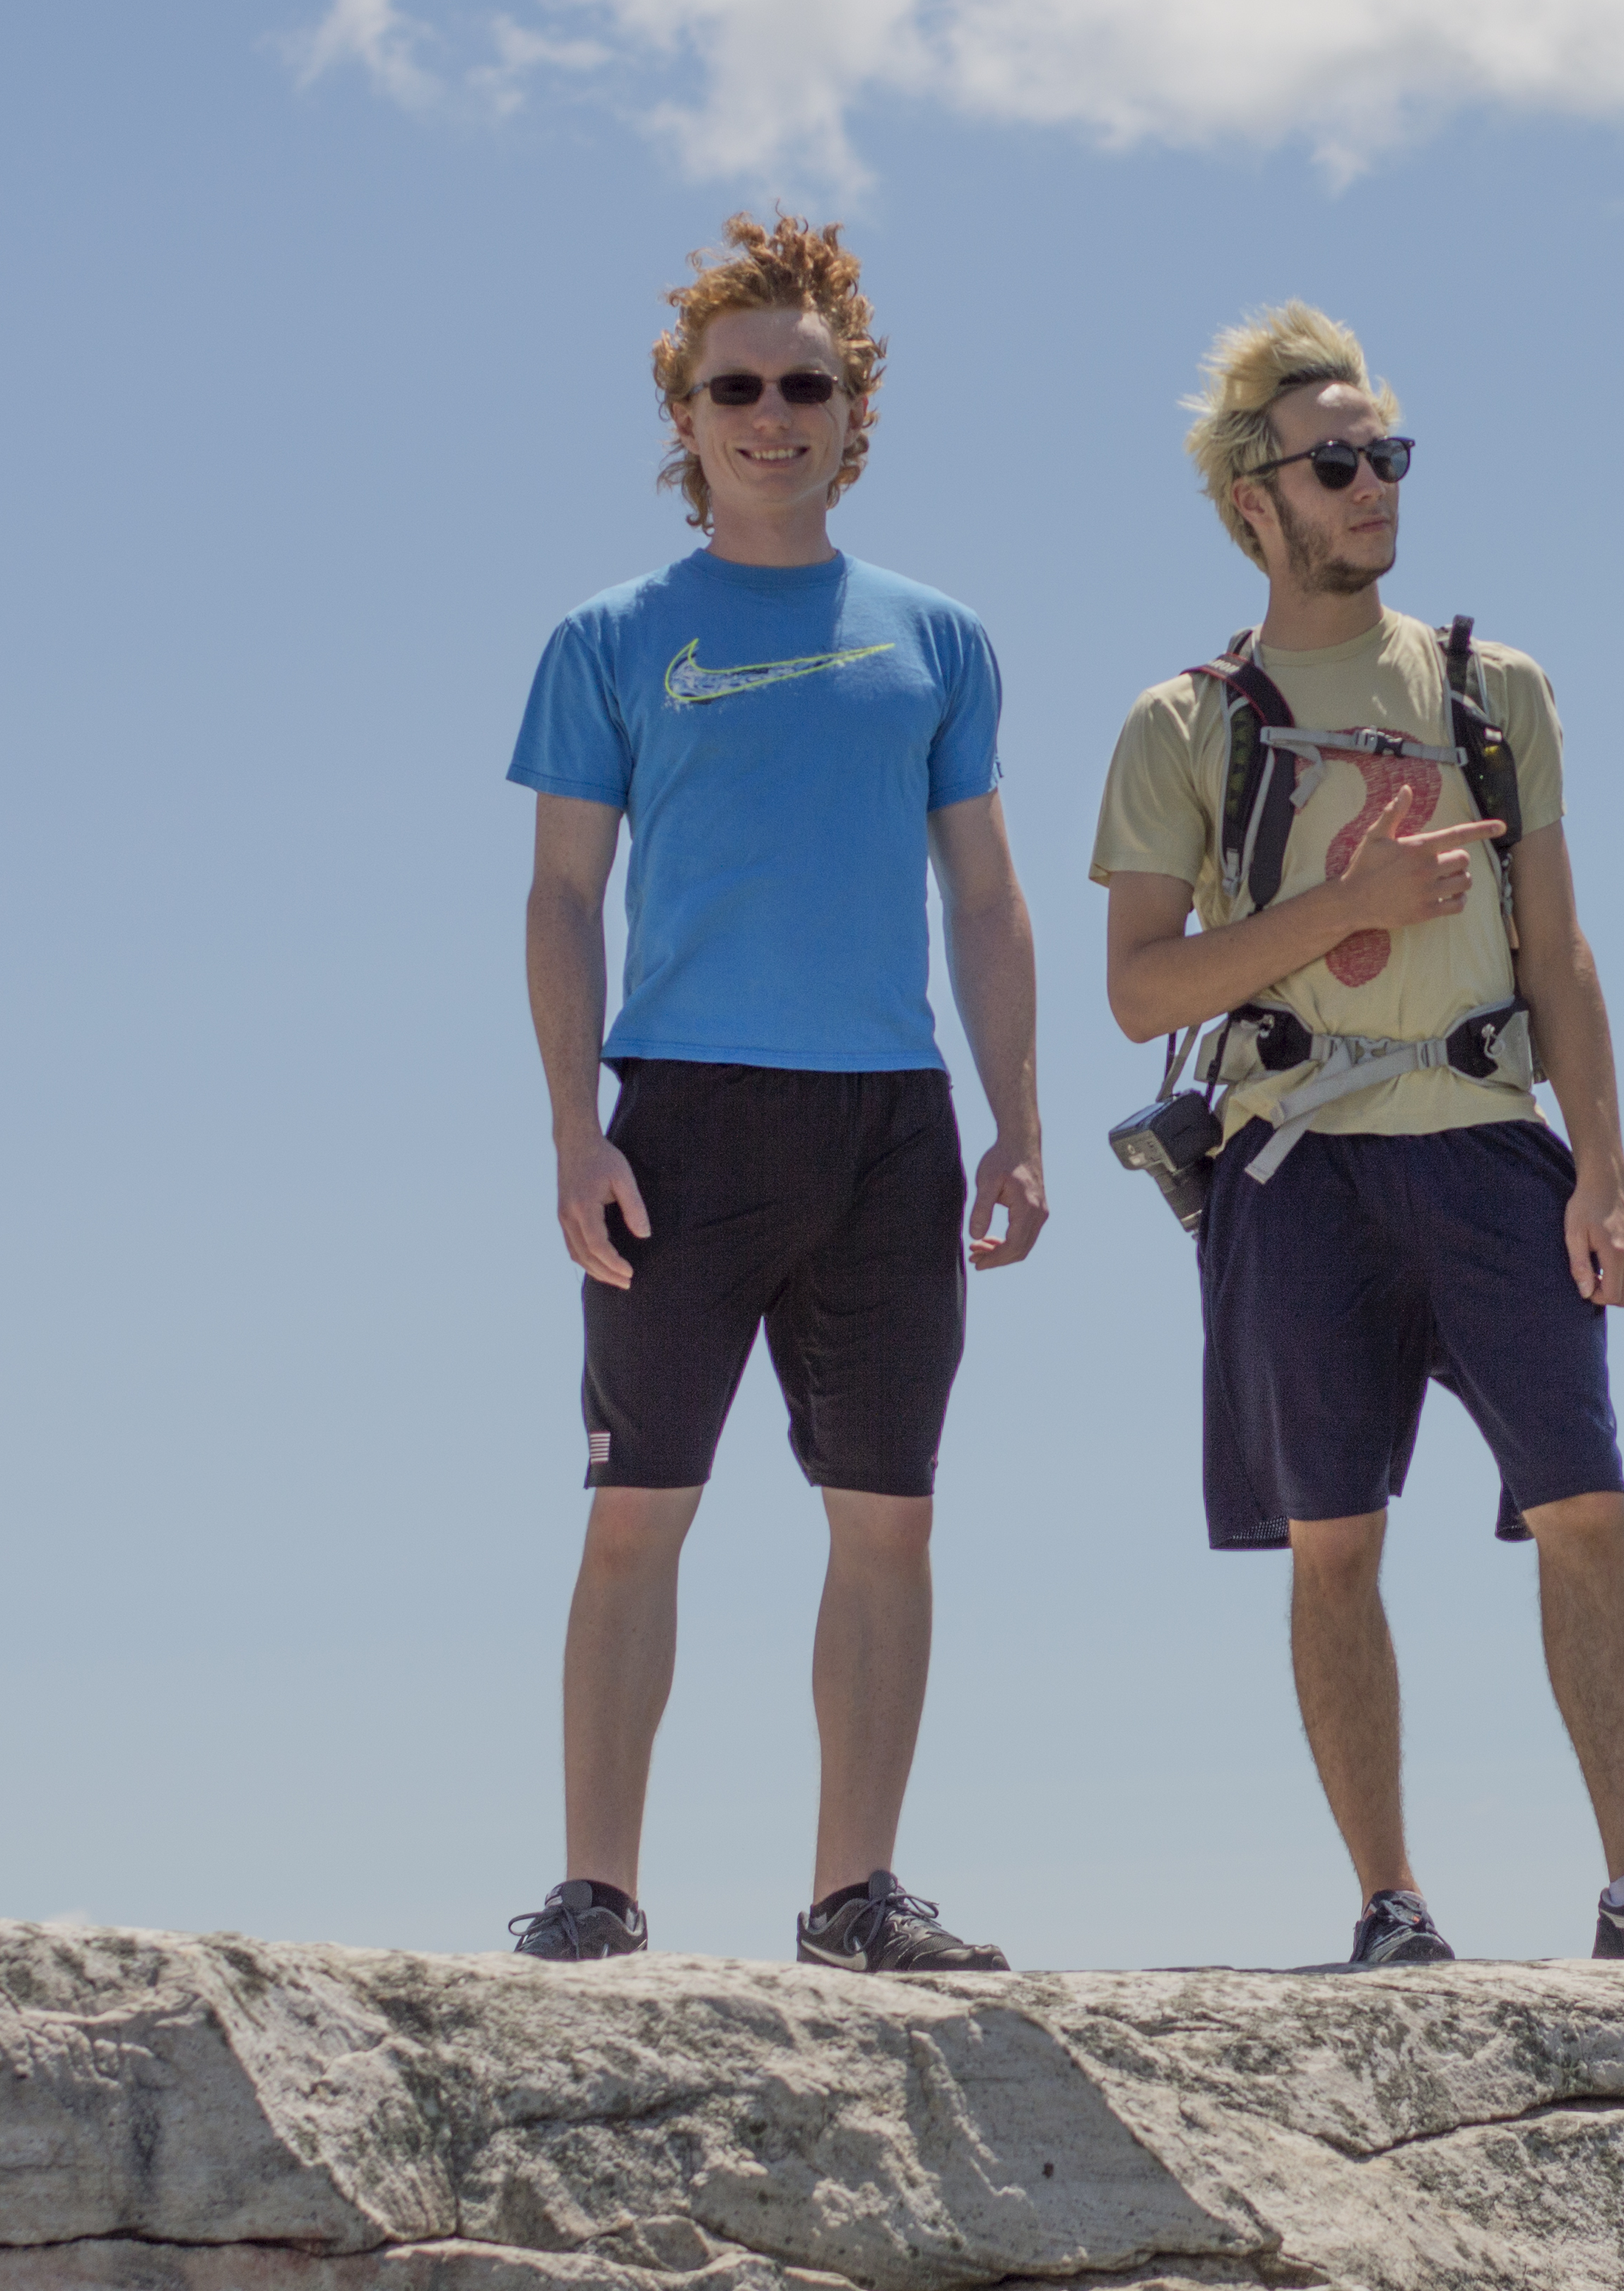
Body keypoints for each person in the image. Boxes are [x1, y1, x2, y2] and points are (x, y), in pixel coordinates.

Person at [1088, 302, 1624, 1971]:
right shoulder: (1180, 723)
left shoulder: (1495, 687)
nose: (1372, 485)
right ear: (1253, 498)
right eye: (1336, 461)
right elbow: (1135, 991)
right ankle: (1390, 1907)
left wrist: (1604, 1170)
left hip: (1486, 1145)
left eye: (1386, 454)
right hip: (1290, 1167)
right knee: (1332, 1541)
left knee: (1587, 1505)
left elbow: (1561, 952)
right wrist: (1341, 906)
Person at [501, 214, 1047, 1971]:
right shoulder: (608, 635)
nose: (770, 411)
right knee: (635, 1512)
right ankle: (595, 1887)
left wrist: (1018, 1118)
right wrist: (574, 1127)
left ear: (850, 408)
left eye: (803, 382)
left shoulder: (937, 634)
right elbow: (564, 893)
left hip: (888, 1119)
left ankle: (853, 1893)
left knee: (887, 1514)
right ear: (685, 408)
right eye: (734, 384)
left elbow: (982, 891)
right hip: (682, 1119)